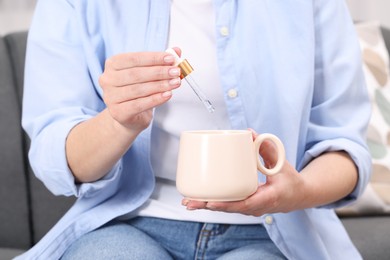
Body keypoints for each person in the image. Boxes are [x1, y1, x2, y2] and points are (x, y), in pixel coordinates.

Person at [17, 0, 371, 259]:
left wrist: (300, 190)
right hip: (129, 222)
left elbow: (344, 146)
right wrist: (117, 122)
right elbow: (56, 158)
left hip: (271, 232)